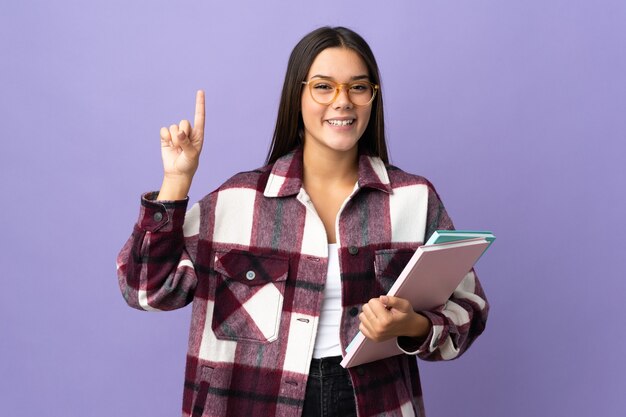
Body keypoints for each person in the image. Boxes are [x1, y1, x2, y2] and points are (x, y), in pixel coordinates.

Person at [117, 26, 489, 417]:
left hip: (375, 403)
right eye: (324, 87)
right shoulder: (237, 201)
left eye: (358, 87)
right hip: (253, 401)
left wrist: (412, 325)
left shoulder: (414, 198)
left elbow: (470, 308)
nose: (342, 102)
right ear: (298, 96)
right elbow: (145, 290)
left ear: (372, 98)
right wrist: (176, 182)